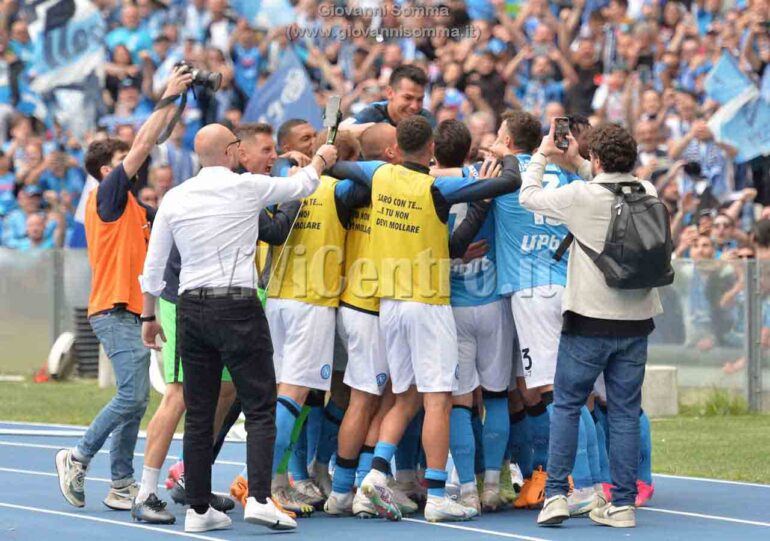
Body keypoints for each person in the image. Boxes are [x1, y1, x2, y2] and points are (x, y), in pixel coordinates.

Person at [138, 122, 338, 533]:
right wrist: (323, 158)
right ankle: (261, 500)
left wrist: (147, 316)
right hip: (238, 305)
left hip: (191, 308)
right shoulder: (246, 188)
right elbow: (302, 187)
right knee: (260, 406)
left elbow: (153, 266)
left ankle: (197, 510)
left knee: (198, 412)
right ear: (231, 151)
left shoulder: (175, 197)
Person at [329, 115, 522, 523]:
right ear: (431, 149)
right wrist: (507, 158)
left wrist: (337, 153)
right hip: (428, 301)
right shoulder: (435, 186)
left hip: (390, 305)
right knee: (437, 401)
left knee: (406, 396)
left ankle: (374, 475)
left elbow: (337, 166)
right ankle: (437, 496)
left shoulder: (379, 173)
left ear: (396, 147)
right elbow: (507, 184)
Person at [54, 66, 193, 512]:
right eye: (126, 157)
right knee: (133, 395)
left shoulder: (135, 204)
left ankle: (121, 483)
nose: (139, 161)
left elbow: (156, 141)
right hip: (114, 308)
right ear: (108, 168)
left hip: (136, 311)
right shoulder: (107, 194)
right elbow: (145, 142)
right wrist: (166, 95)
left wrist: (176, 104)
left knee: (133, 402)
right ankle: (76, 456)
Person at [520, 122, 662, 529]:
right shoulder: (648, 192)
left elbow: (528, 195)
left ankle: (557, 497)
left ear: (597, 158)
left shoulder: (580, 196)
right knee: (623, 411)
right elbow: (608, 183)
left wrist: (543, 154)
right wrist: (581, 161)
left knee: (565, 406)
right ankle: (621, 503)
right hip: (636, 320)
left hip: (588, 320)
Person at [491, 111, 598, 514]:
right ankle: (588, 479)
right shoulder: (565, 170)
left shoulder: (503, 172)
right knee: (568, 392)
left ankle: (583, 483)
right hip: (566, 283)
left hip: (530, 290)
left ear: (506, 138)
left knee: (558, 395)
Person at [348, 65, 435, 127]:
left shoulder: (426, 120)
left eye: (420, 100)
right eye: (408, 98)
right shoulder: (373, 113)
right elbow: (343, 131)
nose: (414, 106)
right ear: (390, 93)